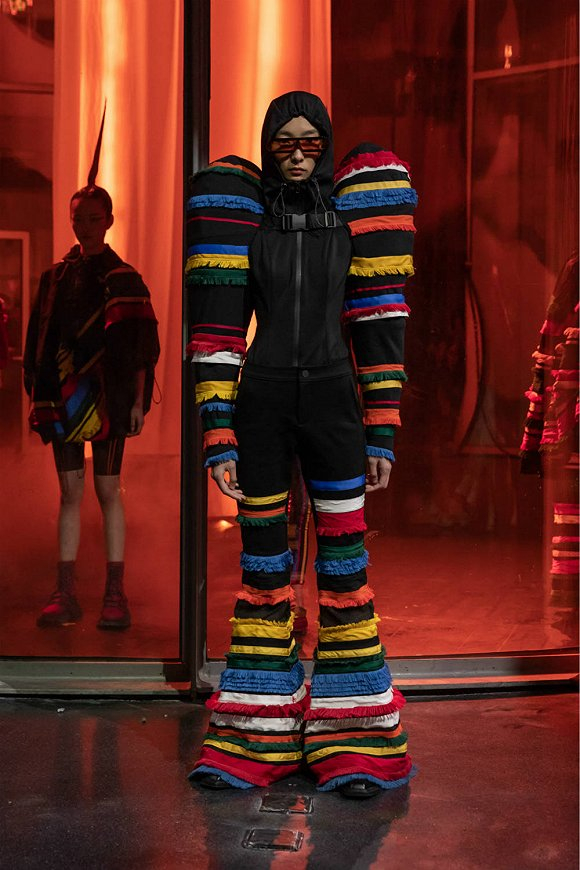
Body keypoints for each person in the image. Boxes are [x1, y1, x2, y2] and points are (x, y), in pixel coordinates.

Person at [187, 91, 415, 798]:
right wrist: (217, 430)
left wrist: (381, 427)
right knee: (263, 569)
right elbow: (218, 325)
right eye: (282, 141)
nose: (294, 153)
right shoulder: (246, 221)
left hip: (334, 406)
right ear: (266, 146)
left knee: (344, 569)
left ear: (325, 144)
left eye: (308, 141)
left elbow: (380, 320)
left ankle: (357, 743)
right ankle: (254, 738)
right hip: (259, 405)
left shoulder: (351, 224)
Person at [23, 118, 160, 630]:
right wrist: (38, 393)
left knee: (106, 490)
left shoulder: (125, 278)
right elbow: (39, 340)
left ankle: (113, 593)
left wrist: (137, 401)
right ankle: (65, 592)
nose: (85, 225)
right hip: (63, 395)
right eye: (78, 217)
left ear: (109, 220)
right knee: (70, 494)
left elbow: (142, 347)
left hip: (108, 396)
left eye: (94, 217)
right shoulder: (55, 278)